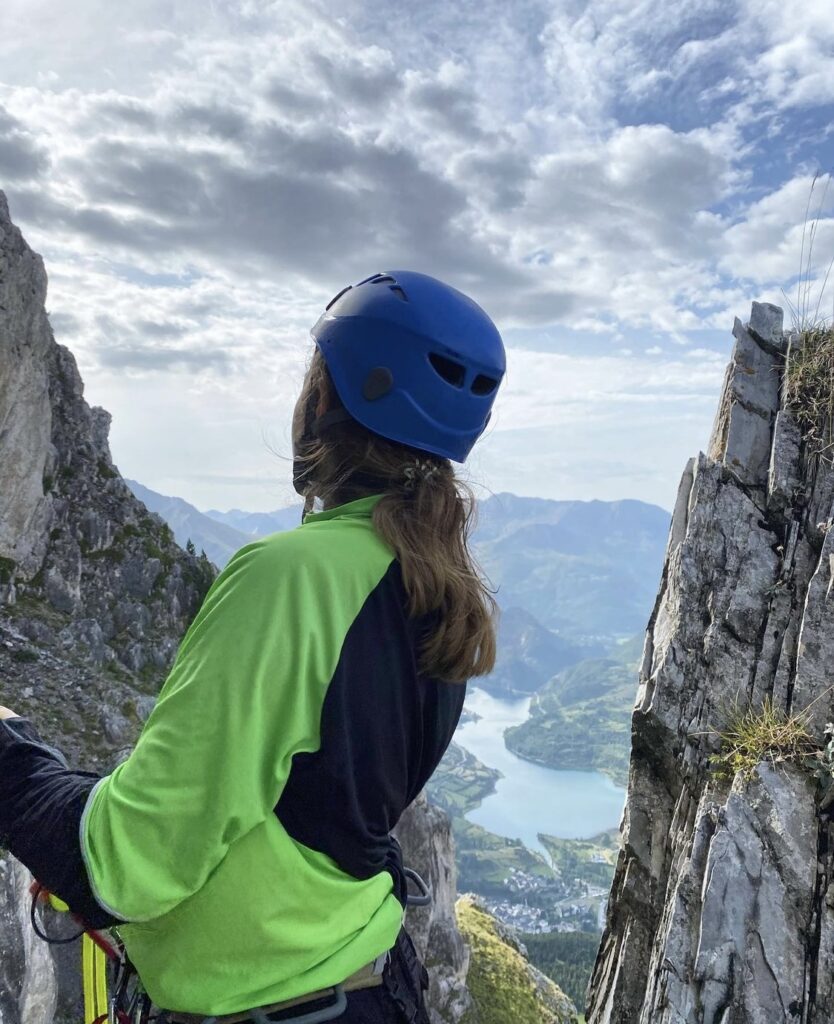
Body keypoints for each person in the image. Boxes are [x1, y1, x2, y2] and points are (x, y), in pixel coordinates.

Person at [0, 269, 506, 1024]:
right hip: (368, 983)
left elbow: (124, 864)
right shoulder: (434, 578)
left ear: (327, 401)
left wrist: (11, 754)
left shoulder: (292, 577)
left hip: (277, 1002)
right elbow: (313, 792)